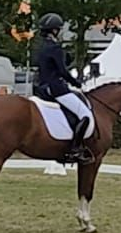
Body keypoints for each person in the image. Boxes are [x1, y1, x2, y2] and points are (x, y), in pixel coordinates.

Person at [33, 13, 93, 164]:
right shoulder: (55, 48)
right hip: (56, 88)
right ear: (54, 30)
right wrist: (76, 83)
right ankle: (75, 149)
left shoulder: (41, 47)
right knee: (85, 114)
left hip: (41, 88)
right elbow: (62, 71)